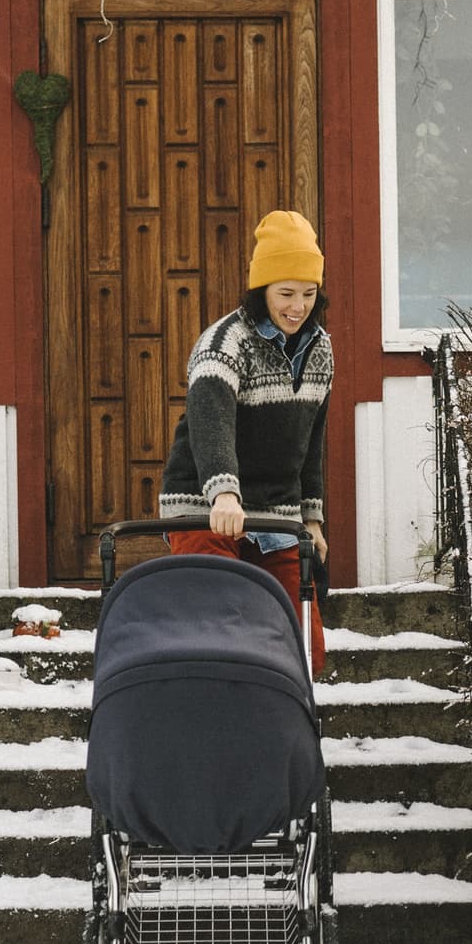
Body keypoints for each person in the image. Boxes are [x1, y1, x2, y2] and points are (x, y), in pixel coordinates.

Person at [158, 209, 332, 675]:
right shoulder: (224, 343)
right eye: (286, 294)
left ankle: (281, 727)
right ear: (262, 290)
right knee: (218, 628)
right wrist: (224, 493)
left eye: (308, 294)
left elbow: (310, 443)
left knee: (302, 640)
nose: (298, 306)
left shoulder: (321, 350)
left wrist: (312, 518)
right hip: (206, 501)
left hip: (274, 509)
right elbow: (209, 424)